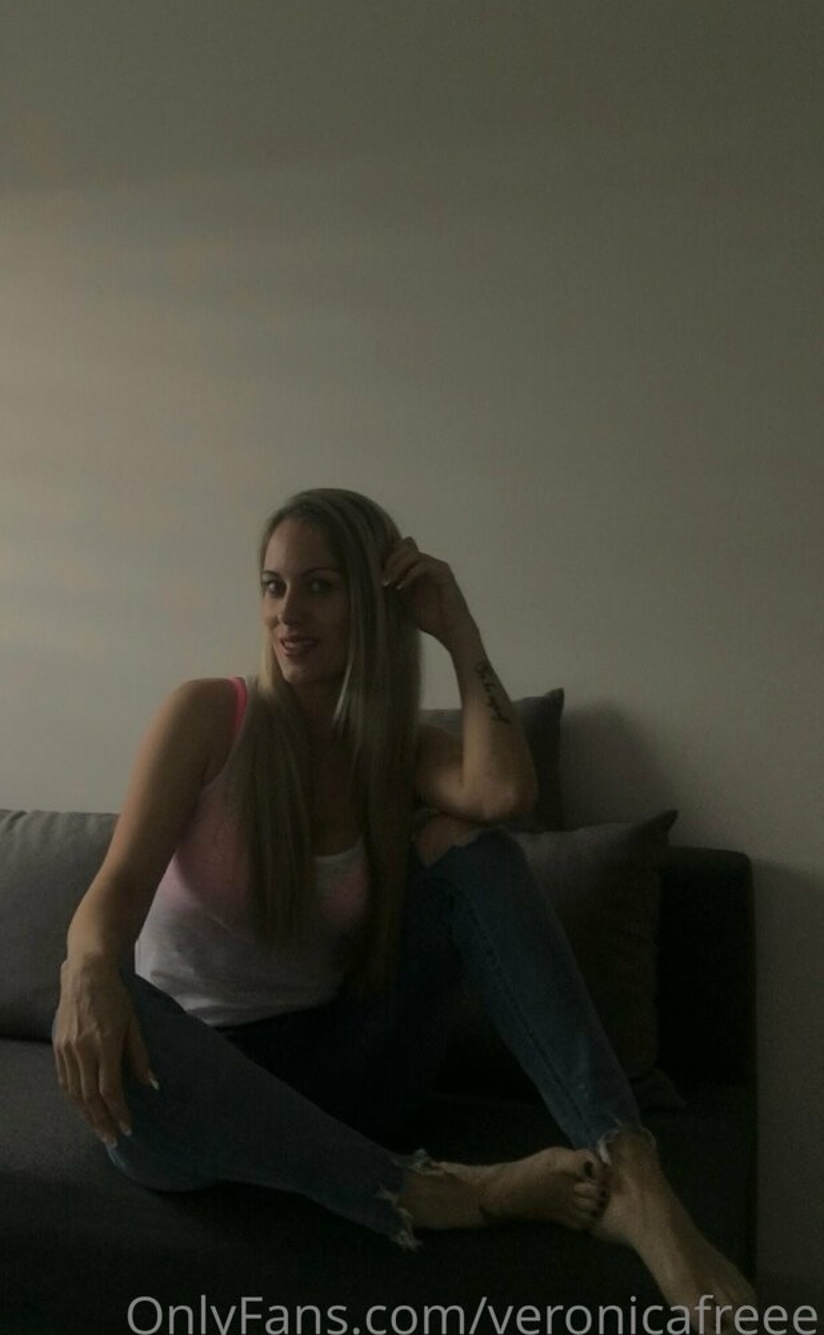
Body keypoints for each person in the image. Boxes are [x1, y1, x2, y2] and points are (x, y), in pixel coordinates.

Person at [53, 487, 754, 1326]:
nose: (287, 613)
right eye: (274, 586)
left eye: (319, 586)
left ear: (373, 603)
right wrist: (87, 969)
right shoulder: (209, 715)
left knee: (473, 851)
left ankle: (632, 1171)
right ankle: (442, 1192)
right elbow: (113, 892)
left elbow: (504, 792)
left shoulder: (395, 750)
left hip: (344, 1069)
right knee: (114, 1004)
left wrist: (458, 629)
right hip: (197, 1082)